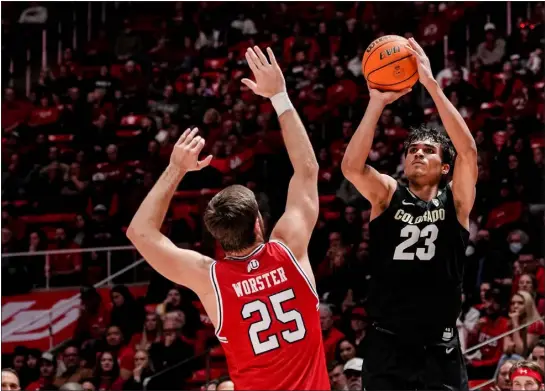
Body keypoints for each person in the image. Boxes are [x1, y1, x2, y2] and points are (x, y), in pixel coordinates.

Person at [127, 46, 328, 390]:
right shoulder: (290, 249)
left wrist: (175, 170)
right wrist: (279, 96)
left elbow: (140, 233)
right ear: (258, 223)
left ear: (219, 237)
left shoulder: (211, 280)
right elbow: (308, 170)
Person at [342, 38, 478, 390]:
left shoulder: (457, 202)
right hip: (388, 342)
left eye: (428, 150)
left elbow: (468, 150)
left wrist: (431, 85)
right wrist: (375, 103)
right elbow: (352, 168)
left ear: (445, 167)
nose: (417, 154)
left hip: (439, 344)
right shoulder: (388, 193)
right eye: (412, 149)